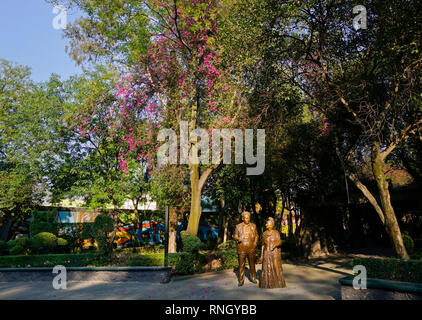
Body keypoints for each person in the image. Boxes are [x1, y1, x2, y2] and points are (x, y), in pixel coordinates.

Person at [259, 217, 286, 289]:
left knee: (276, 267)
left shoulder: (276, 233)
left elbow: (280, 241)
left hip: (274, 253)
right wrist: (261, 255)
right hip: (266, 253)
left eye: (267, 223)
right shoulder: (264, 234)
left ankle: (278, 282)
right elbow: (262, 245)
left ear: (271, 224)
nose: (266, 225)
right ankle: (267, 283)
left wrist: (275, 245)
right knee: (266, 268)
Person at [233, 211, 258, 286]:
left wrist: (255, 244)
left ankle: (253, 277)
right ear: (243, 218)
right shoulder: (238, 226)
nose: (247, 219)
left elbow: (256, 236)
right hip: (242, 248)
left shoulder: (253, 226)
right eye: (246, 218)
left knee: (252, 264)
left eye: (248, 218)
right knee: (241, 265)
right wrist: (237, 238)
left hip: (251, 248)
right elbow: (235, 236)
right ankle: (241, 280)